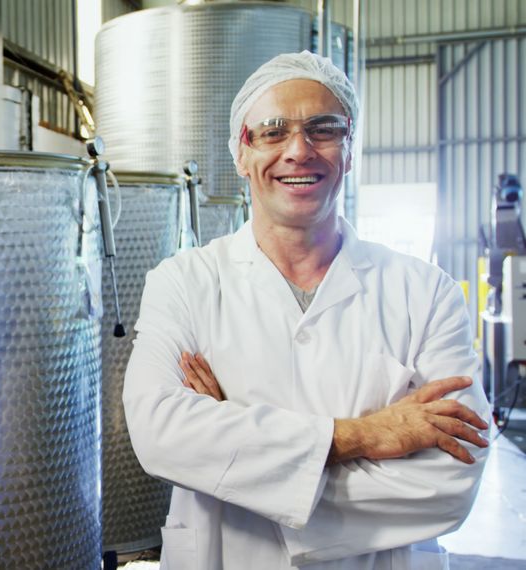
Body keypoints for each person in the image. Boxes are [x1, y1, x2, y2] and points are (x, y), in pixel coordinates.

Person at [123, 51, 491, 570]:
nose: (298, 150)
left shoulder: (426, 293)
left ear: (350, 149)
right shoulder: (184, 283)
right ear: (241, 154)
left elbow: (452, 479)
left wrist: (230, 451)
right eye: (272, 132)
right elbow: (160, 433)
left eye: (324, 129)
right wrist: (361, 435)